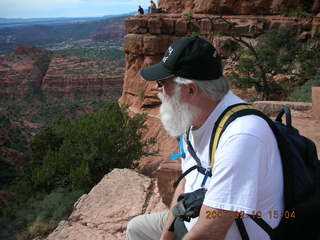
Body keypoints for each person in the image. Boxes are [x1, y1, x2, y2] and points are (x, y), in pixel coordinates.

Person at [126, 36, 283, 240]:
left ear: (190, 89)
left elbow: (211, 232)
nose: (158, 89)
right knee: (137, 229)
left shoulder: (241, 136)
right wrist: (167, 236)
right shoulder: (195, 117)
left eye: (162, 82)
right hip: (193, 220)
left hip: (225, 233)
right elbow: (187, 184)